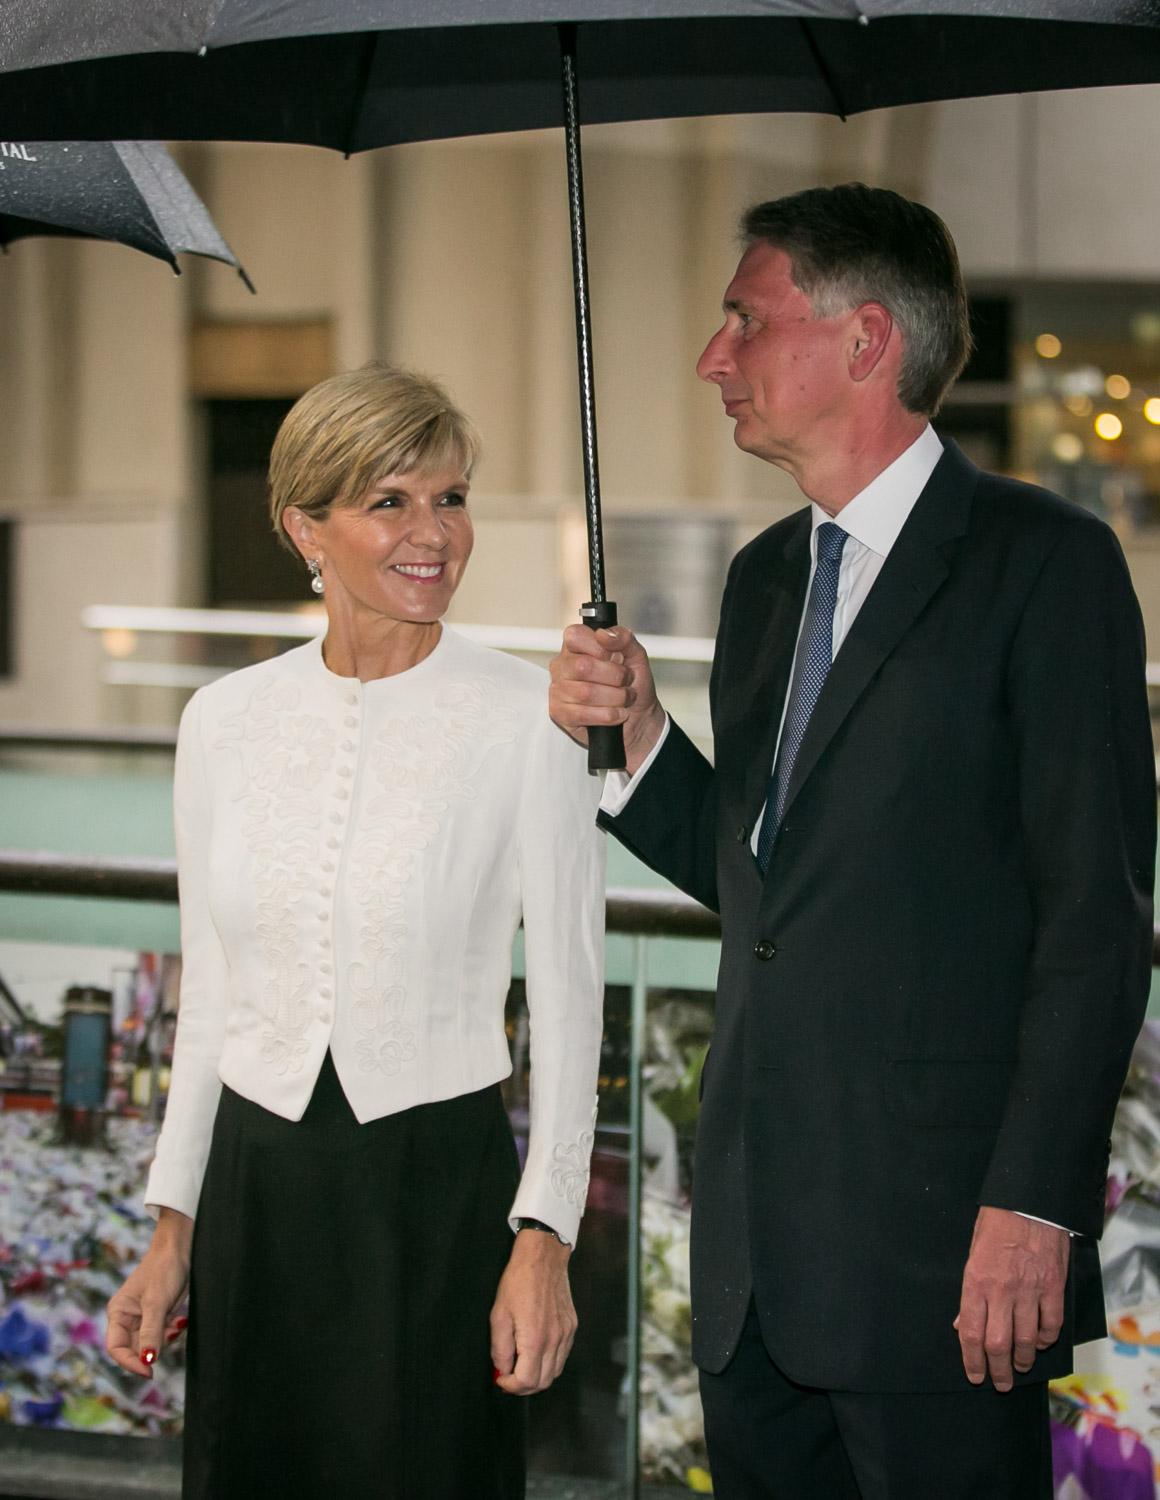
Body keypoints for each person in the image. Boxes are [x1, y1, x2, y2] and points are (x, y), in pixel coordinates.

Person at [548, 185, 1155, 1498]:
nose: (715, 358)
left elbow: (1098, 932)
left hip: (950, 1262)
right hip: (759, 1265)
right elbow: (769, 881)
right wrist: (640, 735)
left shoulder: (1047, 567)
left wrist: (1036, 1208)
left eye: (744, 320)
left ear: (866, 340)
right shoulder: (766, 579)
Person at [106, 363, 605, 1500]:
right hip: (256, 1190)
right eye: (391, 501)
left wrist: (544, 1239)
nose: (434, 534)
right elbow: (210, 1002)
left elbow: (572, 1008)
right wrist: (172, 1226)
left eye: (452, 497)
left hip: (434, 1195)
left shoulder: (532, 720)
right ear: (305, 528)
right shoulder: (220, 722)